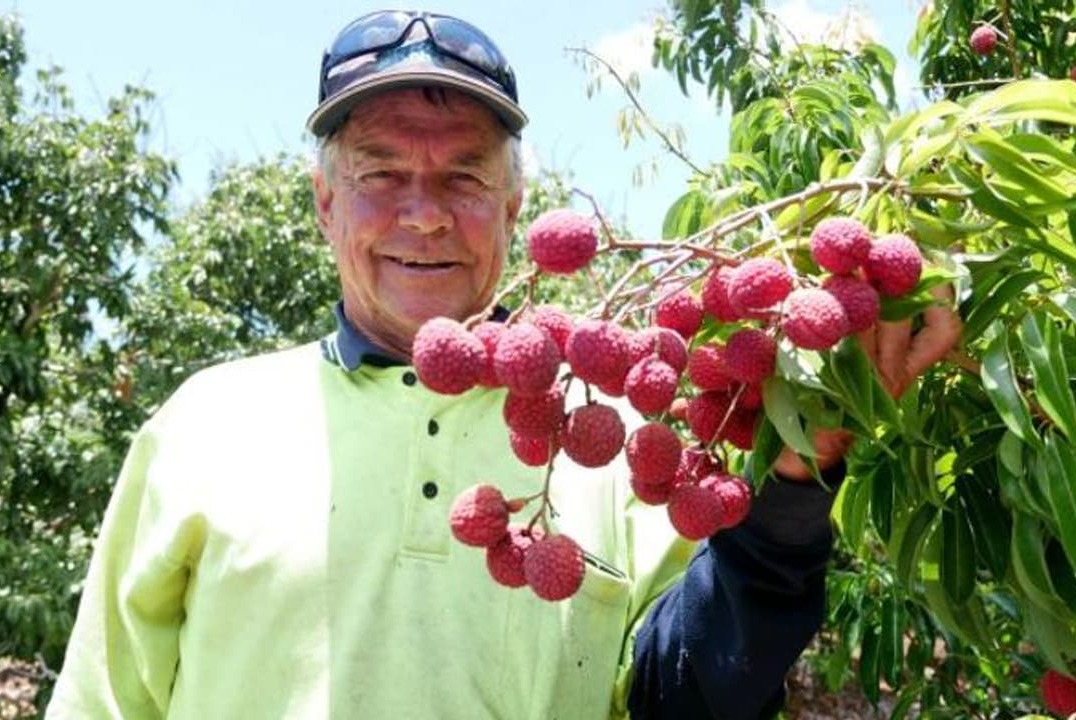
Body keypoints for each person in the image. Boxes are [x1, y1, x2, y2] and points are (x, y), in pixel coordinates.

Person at [46, 9, 960, 720]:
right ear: (326, 203)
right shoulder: (203, 425)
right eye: (381, 174)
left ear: (517, 205)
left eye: (464, 179)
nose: (426, 214)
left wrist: (797, 476)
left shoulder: (625, 434)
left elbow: (691, 696)